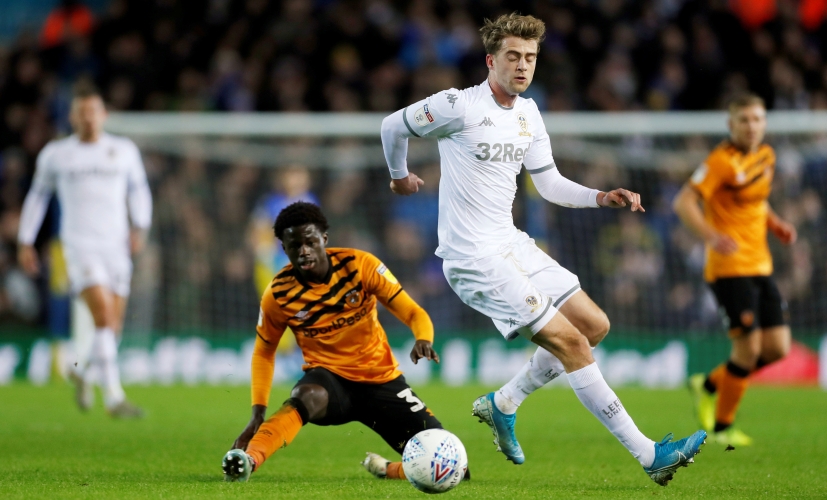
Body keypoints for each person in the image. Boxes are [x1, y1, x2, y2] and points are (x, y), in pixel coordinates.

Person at [380, 12, 705, 486]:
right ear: (491, 61)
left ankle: (504, 402)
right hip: (474, 259)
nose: (522, 65)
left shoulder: (529, 113)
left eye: (530, 57)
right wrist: (399, 177)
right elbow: (392, 126)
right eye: (512, 56)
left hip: (512, 244)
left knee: (594, 326)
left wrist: (600, 196)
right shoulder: (457, 105)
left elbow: (549, 183)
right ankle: (650, 454)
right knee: (572, 343)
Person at [222, 202, 463, 483]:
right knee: (307, 394)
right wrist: (257, 414)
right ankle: (249, 460)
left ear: (324, 239)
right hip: (330, 383)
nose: (303, 251)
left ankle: (389, 469)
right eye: (294, 246)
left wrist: (423, 338)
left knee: (452, 465)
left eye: (310, 242)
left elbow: (413, 312)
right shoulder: (278, 294)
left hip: (381, 380)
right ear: (283, 248)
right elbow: (264, 352)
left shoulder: (360, 266)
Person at [17, 83, 152, 418]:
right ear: (72, 117)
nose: (88, 117)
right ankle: (114, 398)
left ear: (104, 114)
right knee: (103, 315)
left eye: (93, 111)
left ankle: (84, 372)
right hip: (79, 247)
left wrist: (140, 226)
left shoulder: (123, 150)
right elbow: (37, 197)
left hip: (116, 246)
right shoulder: (56, 154)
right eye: (82, 112)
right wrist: (25, 240)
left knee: (112, 325)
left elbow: (139, 190)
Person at [672, 94, 795, 446]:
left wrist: (776, 224)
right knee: (748, 351)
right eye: (744, 120)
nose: (751, 126)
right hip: (729, 268)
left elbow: (757, 200)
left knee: (778, 348)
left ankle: (708, 384)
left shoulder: (766, 156)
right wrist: (711, 236)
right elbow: (683, 202)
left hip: (761, 264)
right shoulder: (720, 161)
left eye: (757, 119)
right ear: (731, 124)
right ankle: (722, 429)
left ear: (765, 123)